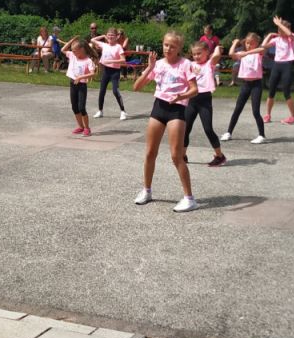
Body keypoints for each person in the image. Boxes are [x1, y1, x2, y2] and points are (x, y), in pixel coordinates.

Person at [132, 31, 199, 212]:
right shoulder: (158, 64)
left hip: (176, 109)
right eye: (166, 45)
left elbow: (194, 90)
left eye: (172, 46)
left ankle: (189, 199)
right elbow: (136, 87)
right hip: (159, 108)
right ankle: (146, 191)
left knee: (176, 156)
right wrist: (150, 67)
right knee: (149, 153)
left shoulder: (186, 64)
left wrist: (181, 96)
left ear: (179, 48)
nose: (168, 49)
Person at [183, 39, 226, 167]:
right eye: (194, 54)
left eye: (199, 53)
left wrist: (217, 47)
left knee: (208, 129)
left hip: (204, 100)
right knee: (185, 129)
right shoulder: (190, 64)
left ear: (207, 52)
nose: (196, 56)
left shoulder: (209, 64)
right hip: (192, 99)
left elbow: (217, 55)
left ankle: (220, 156)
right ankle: (183, 155)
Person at [222, 33, 267, 144]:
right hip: (246, 84)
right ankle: (229, 132)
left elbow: (262, 49)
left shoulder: (258, 53)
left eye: (252, 43)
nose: (249, 45)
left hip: (256, 85)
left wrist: (246, 53)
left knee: (255, 111)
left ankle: (261, 135)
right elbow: (231, 54)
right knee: (237, 109)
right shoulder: (242, 53)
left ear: (257, 43)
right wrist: (235, 43)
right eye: (247, 43)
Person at [262, 15, 294, 125]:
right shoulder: (276, 39)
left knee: (286, 91)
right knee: (271, 91)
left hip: (287, 65)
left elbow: (289, 34)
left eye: (282, 29)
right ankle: (268, 115)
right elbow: (263, 46)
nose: (280, 31)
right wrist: (269, 35)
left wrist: (279, 24)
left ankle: (293, 117)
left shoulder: (292, 38)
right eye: (279, 30)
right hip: (277, 65)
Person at [91, 27, 128, 120]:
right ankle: (100, 111)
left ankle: (123, 111)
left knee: (115, 91)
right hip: (106, 71)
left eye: (112, 35)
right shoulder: (104, 45)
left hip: (115, 72)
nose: (110, 37)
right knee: (102, 91)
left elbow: (123, 60)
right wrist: (103, 36)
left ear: (116, 37)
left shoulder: (118, 47)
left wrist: (111, 61)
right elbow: (92, 40)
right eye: (109, 35)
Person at [63, 36, 96, 135]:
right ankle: (80, 127)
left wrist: (81, 77)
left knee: (81, 107)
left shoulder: (88, 61)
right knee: (74, 107)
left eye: (75, 50)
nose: (72, 52)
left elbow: (93, 73)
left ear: (81, 50)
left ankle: (87, 128)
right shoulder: (72, 56)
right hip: (73, 83)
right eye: (72, 50)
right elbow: (63, 49)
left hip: (81, 86)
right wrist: (72, 41)